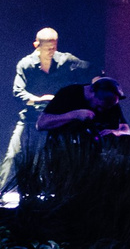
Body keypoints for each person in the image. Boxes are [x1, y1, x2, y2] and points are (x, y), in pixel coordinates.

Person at [6, 28, 87, 194]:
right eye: (47, 47)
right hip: (30, 118)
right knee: (13, 155)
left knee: (58, 159)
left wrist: (97, 79)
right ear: (37, 45)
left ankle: (58, 194)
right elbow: (17, 92)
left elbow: (90, 69)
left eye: (54, 46)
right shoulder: (26, 64)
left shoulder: (66, 60)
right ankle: (2, 192)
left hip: (57, 120)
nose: (52, 50)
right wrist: (40, 99)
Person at [32, 74, 130, 187]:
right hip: (62, 157)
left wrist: (115, 132)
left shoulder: (110, 102)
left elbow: (126, 130)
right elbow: (41, 124)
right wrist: (74, 115)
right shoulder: (69, 94)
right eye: (99, 107)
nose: (101, 111)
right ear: (92, 92)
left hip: (95, 160)